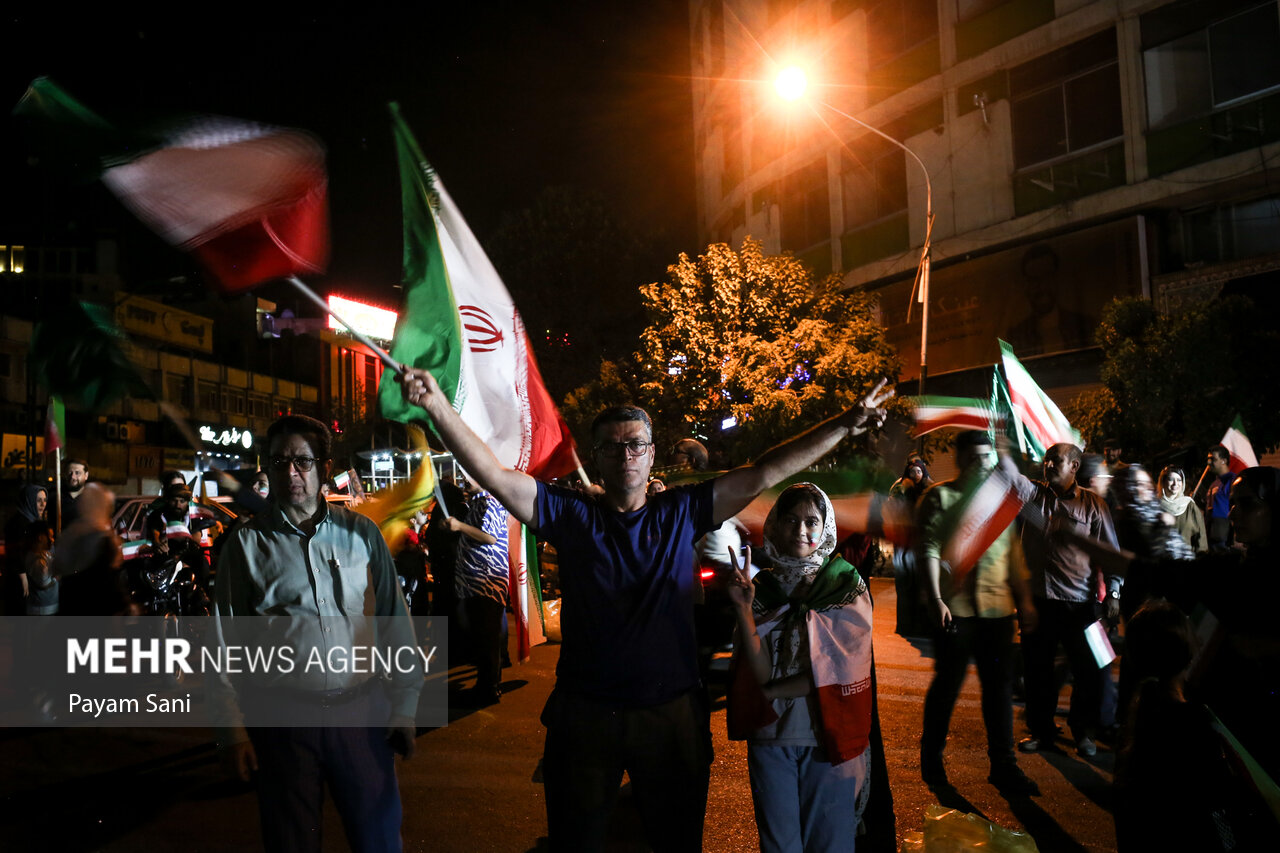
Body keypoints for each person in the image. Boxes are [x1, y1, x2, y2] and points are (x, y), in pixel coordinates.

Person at [398, 366, 892, 852]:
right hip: (586, 716)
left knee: (675, 841)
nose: (626, 454)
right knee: (576, 840)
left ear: (652, 455)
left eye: (636, 444)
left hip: (671, 715)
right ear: (598, 456)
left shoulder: (682, 511)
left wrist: (845, 424)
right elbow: (495, 476)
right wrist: (436, 404)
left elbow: (764, 471)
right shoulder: (569, 514)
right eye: (613, 446)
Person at [211, 414, 421, 853]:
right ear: (266, 469)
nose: (291, 473)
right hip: (284, 722)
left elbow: (394, 621)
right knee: (292, 841)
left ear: (324, 467)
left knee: (378, 838)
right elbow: (223, 642)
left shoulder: (362, 534)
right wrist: (234, 731)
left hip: (363, 717)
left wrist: (405, 705)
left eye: (302, 461)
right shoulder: (246, 546)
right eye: (280, 461)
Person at [726, 483, 874, 851]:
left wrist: (774, 691)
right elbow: (758, 670)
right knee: (779, 845)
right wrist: (744, 609)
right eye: (790, 520)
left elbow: (844, 669)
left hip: (827, 736)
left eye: (812, 521)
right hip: (771, 739)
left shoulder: (845, 585)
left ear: (826, 527)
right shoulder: (761, 586)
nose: (801, 531)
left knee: (831, 843)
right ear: (775, 525)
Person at [917, 431, 1039, 795]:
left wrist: (1026, 601)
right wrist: (935, 598)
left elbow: (1013, 557)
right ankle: (932, 761)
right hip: (955, 609)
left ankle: (1004, 766)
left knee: (999, 691)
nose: (981, 464)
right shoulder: (940, 496)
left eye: (986, 457)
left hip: (998, 609)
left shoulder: (1001, 500)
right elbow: (929, 548)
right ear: (959, 461)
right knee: (947, 686)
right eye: (972, 458)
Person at [1007, 442, 1118, 758]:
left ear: (1075, 466)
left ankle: (1084, 733)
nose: (1049, 465)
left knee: (1089, 672)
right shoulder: (1031, 497)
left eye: (1056, 460)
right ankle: (1041, 732)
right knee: (1037, 671)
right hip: (1037, 603)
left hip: (1081, 605)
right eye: (1046, 460)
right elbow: (1008, 479)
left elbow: (1109, 552)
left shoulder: (1094, 505)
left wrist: (1114, 592)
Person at [453, 481, 510, 706]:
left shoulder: (489, 502)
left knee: (487, 639)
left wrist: (459, 526)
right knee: (483, 638)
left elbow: (489, 537)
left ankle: (487, 690)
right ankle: (486, 686)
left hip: (486, 582)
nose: (465, 479)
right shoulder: (476, 503)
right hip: (474, 583)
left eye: (470, 473)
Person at [55, 483, 130, 616]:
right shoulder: (104, 538)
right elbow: (110, 580)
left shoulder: (71, 533)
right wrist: (124, 604)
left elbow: (57, 567)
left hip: (71, 605)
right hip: (98, 607)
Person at [4, 484, 48, 614]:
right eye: (38, 500)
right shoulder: (20, 523)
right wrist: (23, 577)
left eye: (45, 500)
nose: (42, 504)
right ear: (28, 500)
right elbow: (14, 552)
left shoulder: (32, 521)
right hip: (19, 580)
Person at [1158, 465, 1207, 553]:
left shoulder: (1190, 506)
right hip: (1160, 562)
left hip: (1185, 563)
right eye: (1171, 479)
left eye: (1179, 480)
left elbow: (1201, 539)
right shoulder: (1155, 507)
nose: (1175, 484)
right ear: (1163, 481)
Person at [1201, 445, 1235, 551]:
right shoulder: (1214, 484)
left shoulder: (1233, 481)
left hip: (1226, 543)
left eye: (1213, 459)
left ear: (1224, 461)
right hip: (1211, 540)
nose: (1209, 463)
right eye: (1208, 459)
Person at [23, 521, 58, 615]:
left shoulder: (42, 554)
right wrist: (57, 577)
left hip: (45, 607)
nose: (53, 540)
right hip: (41, 609)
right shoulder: (38, 562)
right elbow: (43, 583)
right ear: (40, 537)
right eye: (50, 536)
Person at [61, 459, 89, 529]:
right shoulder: (55, 497)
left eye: (77, 473)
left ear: (86, 475)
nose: (72, 476)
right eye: (70, 472)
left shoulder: (92, 499)